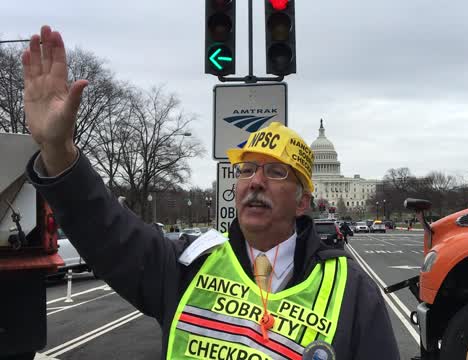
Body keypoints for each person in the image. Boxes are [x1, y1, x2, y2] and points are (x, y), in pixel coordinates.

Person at [21, 26, 400, 359]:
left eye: (275, 172)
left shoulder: (351, 292)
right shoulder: (189, 265)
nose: (255, 181)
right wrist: (58, 151)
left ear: (303, 201)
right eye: (247, 169)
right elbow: (107, 231)